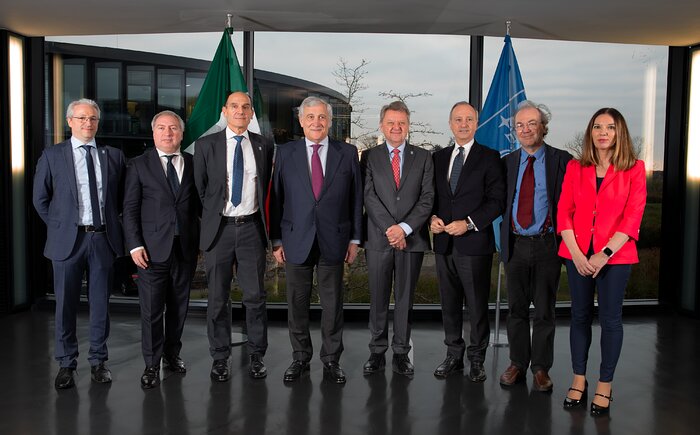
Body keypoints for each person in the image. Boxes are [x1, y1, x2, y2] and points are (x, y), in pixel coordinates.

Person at [558, 108, 646, 416]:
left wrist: (603, 254)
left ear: (619, 132)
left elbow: (632, 218)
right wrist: (579, 255)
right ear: (590, 132)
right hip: (577, 256)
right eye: (597, 126)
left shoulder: (634, 169)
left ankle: (605, 384)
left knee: (610, 320)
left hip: (615, 257)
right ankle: (578, 378)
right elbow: (564, 213)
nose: (603, 132)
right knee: (579, 317)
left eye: (609, 127)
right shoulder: (575, 167)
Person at [33, 98, 126, 389]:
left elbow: (121, 198)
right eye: (82, 118)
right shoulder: (52, 155)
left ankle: (99, 361)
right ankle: (66, 363)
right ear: (70, 121)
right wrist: (62, 227)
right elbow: (40, 199)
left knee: (100, 305)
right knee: (65, 306)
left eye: (93, 119)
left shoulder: (112, 156)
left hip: (101, 239)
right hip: (67, 243)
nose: (88, 123)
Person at [270, 96, 363, 384]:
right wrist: (275, 240)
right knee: (297, 305)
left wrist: (355, 239)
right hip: (295, 239)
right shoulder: (285, 153)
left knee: (333, 305)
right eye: (310, 117)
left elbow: (355, 198)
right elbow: (275, 198)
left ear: (330, 121)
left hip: (334, 239)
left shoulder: (347, 153)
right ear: (301, 121)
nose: (316, 122)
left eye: (322, 117)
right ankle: (300, 358)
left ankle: (331, 360)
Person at [193, 91, 274, 381]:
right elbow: (201, 190)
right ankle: (220, 357)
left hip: (252, 228)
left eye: (246, 107)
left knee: (255, 297)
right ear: (225, 111)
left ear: (252, 113)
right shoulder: (205, 145)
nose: (240, 111)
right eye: (235, 106)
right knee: (217, 298)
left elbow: (267, 190)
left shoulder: (265, 145)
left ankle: (256, 355)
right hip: (220, 230)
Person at [498, 101, 573, 392]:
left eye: (532, 123)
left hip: (547, 245)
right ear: (515, 130)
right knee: (515, 309)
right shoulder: (507, 163)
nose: (526, 129)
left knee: (544, 310)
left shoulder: (562, 160)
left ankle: (541, 368)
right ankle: (518, 363)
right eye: (520, 125)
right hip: (515, 244)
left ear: (543, 126)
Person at [123, 111, 201, 389]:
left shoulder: (194, 163)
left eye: (173, 129)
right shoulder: (138, 165)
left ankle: (172, 355)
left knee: (179, 307)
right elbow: (130, 210)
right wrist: (134, 245)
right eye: (161, 128)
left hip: (185, 249)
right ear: (153, 133)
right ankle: (151, 364)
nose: (167, 133)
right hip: (150, 252)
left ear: (181, 134)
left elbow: (199, 207)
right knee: (152, 311)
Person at [430, 101, 505, 382]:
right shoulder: (437, 158)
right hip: (444, 245)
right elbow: (432, 197)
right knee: (449, 304)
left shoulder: (490, 157)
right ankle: (453, 355)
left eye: (469, 119)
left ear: (476, 124)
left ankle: (477, 359)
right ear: (450, 124)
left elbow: (496, 201)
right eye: (458, 119)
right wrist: (432, 218)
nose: (463, 124)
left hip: (475, 244)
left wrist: (469, 223)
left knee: (476, 305)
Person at [361, 101, 434, 377]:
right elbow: (369, 195)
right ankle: (377, 351)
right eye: (391, 122)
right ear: (382, 125)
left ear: (408, 125)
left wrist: (404, 228)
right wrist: (392, 229)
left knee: (405, 298)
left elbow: (427, 198)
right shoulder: (369, 156)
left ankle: (401, 352)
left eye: (401, 122)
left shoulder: (423, 157)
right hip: (379, 239)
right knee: (378, 297)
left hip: (411, 240)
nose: (396, 127)